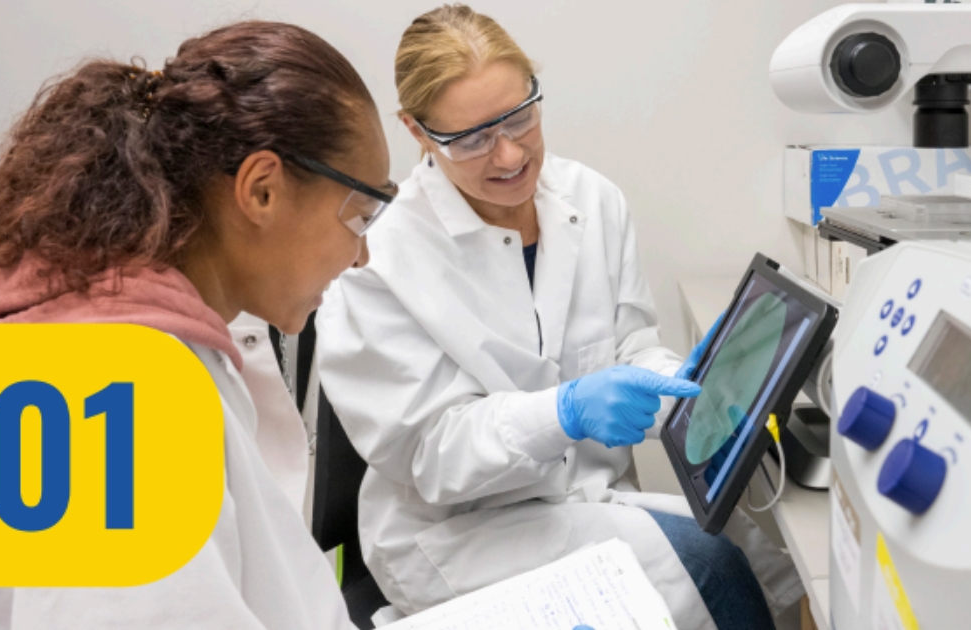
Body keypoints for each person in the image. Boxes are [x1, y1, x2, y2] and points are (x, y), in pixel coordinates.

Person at [316, 5, 804, 630]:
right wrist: (564, 411)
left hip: (586, 497)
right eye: (471, 139)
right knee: (710, 569)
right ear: (416, 132)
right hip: (460, 530)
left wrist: (691, 385)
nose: (511, 153)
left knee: (754, 550)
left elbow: (629, 346)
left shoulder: (592, 200)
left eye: (520, 116)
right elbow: (429, 452)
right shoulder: (376, 257)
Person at [0, 21, 395, 630]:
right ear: (262, 190)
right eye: (360, 216)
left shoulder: (95, 335)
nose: (362, 256)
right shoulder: (110, 400)